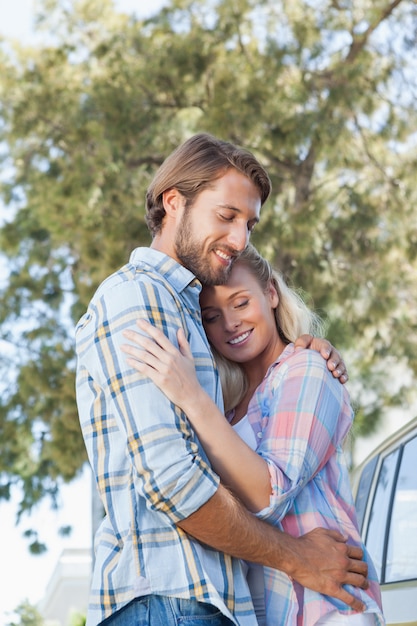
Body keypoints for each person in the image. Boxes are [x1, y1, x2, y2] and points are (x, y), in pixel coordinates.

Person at [75, 133, 367, 626]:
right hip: (169, 603)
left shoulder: (189, 308)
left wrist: (308, 348)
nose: (240, 239)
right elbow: (172, 482)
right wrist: (298, 558)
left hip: (201, 604)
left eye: (249, 224)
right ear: (174, 202)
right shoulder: (139, 298)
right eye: (226, 216)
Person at [121, 244, 385, 626]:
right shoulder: (226, 410)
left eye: (241, 303)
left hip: (326, 607)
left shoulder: (308, 367)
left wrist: (191, 397)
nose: (229, 324)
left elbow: (269, 493)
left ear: (272, 294)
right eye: (211, 316)